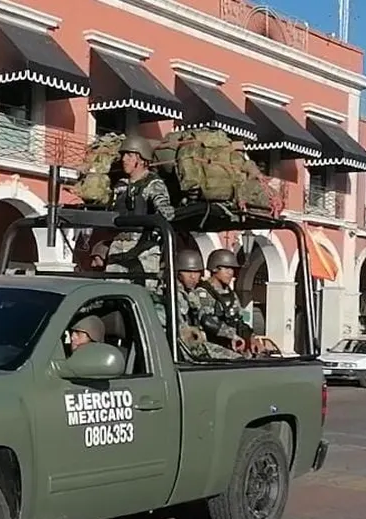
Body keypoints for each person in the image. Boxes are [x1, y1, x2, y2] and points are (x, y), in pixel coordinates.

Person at [105, 136, 175, 280]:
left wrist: (162, 210)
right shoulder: (120, 185)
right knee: (111, 291)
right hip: (118, 245)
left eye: (130, 155)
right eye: (123, 155)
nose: (124, 159)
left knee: (143, 292)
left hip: (143, 247)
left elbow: (164, 210)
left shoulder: (153, 184)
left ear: (142, 159)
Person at [191, 248, 267, 356]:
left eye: (232, 269)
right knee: (237, 361)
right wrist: (232, 335)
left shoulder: (231, 294)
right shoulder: (202, 293)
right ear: (215, 269)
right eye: (226, 269)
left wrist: (251, 338)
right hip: (209, 344)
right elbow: (208, 322)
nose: (230, 273)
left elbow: (239, 321)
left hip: (233, 343)